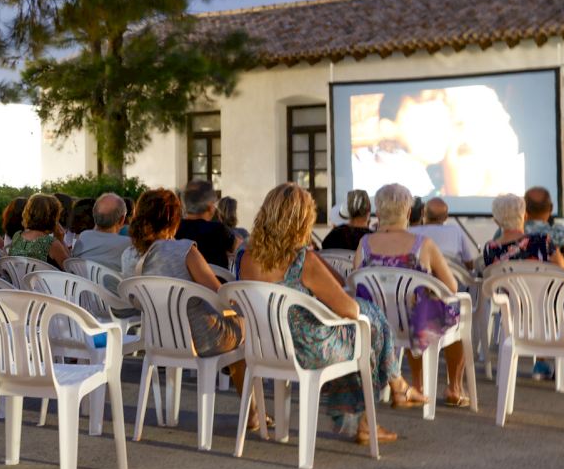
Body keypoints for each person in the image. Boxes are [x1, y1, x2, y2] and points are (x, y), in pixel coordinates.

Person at [240, 183, 417, 443]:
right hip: (307, 351)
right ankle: (381, 403)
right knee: (366, 325)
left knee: (361, 327)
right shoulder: (303, 262)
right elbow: (349, 308)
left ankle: (391, 392)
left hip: (264, 348)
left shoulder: (246, 257)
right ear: (303, 221)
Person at [121, 189, 263, 427]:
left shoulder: (128, 254)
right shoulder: (184, 250)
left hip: (157, 337)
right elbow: (220, 294)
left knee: (237, 331)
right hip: (201, 337)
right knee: (247, 328)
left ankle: (251, 409)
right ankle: (253, 413)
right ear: (173, 218)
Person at [354, 184, 468, 407]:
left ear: (378, 212)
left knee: (408, 309)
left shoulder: (364, 244)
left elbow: (357, 281)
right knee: (457, 313)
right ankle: (454, 387)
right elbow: (452, 287)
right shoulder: (423, 245)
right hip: (415, 323)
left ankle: (417, 383)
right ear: (408, 212)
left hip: (376, 325)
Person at [483, 193, 564, 380]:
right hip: (550, 308)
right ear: (525, 216)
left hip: (515, 311)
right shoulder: (542, 241)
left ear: (496, 220)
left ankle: (541, 362)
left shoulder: (490, 249)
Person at [174, 180, 236, 267]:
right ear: (210, 207)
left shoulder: (174, 229)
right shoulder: (218, 230)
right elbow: (239, 247)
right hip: (214, 275)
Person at [523, 186, 564, 267]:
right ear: (551, 208)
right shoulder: (562, 236)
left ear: (524, 209)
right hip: (556, 274)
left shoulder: (513, 237)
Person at [70, 192, 132, 271]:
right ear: (122, 219)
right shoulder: (128, 244)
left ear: (94, 214)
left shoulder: (83, 236)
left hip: (81, 279)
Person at [409, 197, 476, 266]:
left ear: (422, 213)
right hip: (451, 271)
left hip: (420, 272)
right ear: (446, 217)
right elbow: (469, 263)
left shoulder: (410, 232)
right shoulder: (455, 230)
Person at [9, 193, 69, 268]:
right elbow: (71, 269)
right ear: (53, 217)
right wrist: (61, 241)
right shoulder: (50, 243)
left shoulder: (17, 236)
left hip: (18, 276)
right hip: (44, 276)